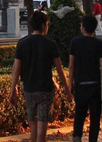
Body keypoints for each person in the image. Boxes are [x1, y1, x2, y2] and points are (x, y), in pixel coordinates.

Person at [10, 10, 69, 142]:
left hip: (29, 88)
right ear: (43, 25)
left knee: (33, 126)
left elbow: (16, 69)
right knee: (43, 124)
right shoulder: (51, 44)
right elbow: (60, 69)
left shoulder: (22, 43)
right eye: (47, 24)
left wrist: (12, 89)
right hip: (45, 89)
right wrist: (66, 88)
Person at [68, 15, 102, 142]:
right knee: (95, 117)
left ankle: (77, 136)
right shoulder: (99, 44)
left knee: (79, 114)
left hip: (80, 83)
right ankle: (93, 139)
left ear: (83, 27)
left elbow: (71, 65)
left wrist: (70, 83)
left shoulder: (75, 42)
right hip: (95, 84)